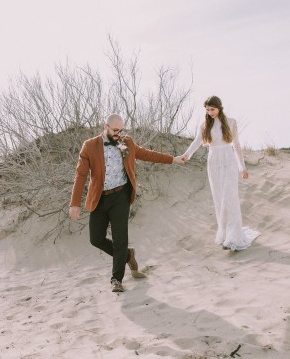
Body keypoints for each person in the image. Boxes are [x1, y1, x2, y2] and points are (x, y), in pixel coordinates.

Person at [69, 114, 186, 292]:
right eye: (115, 130)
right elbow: (81, 175)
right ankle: (127, 255)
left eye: (121, 130)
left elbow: (146, 154)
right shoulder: (90, 146)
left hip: (121, 196)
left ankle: (117, 279)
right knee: (96, 238)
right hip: (99, 198)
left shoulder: (126, 143)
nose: (118, 134)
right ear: (105, 127)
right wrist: (74, 203)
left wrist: (173, 159)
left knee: (120, 239)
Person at [182, 96, 260, 250]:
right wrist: (186, 155)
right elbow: (197, 142)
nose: (210, 112)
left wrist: (242, 167)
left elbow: (236, 145)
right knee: (219, 198)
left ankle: (234, 236)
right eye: (207, 110)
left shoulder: (231, 122)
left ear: (219, 107)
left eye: (212, 109)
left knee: (230, 196)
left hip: (228, 160)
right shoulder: (204, 125)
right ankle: (224, 234)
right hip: (213, 162)